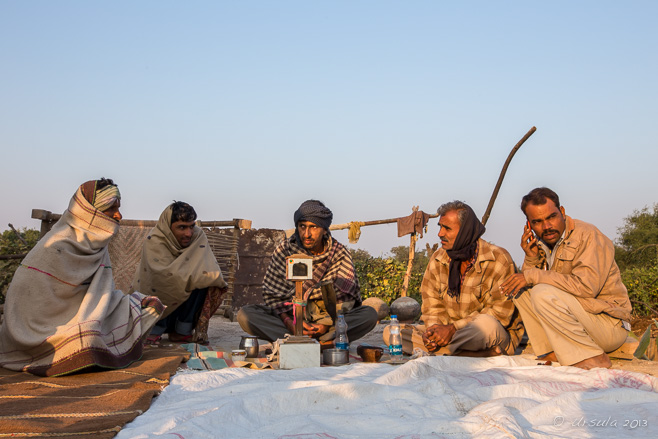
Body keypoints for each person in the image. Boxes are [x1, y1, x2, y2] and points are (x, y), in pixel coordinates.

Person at [0, 179, 164, 376]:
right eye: (110, 208)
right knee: (87, 341)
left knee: (149, 307)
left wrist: (133, 304)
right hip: (41, 333)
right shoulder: (56, 247)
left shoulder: (97, 248)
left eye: (118, 208)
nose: (118, 215)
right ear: (89, 212)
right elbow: (30, 310)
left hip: (84, 318)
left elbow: (101, 296)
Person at [501, 187, 632, 369]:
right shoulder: (542, 242)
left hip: (608, 324)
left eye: (551, 217)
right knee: (518, 288)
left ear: (562, 212)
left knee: (540, 290)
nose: (546, 227)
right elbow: (532, 283)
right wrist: (531, 258)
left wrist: (533, 275)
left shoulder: (588, 235)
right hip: (578, 322)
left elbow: (586, 288)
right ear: (529, 225)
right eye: (537, 222)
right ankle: (549, 351)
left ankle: (593, 357)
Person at [384, 201, 523, 356]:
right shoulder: (438, 259)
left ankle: (446, 353)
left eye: (447, 228)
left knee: (487, 325)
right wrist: (433, 332)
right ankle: (473, 355)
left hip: (486, 334)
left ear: (465, 231)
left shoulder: (498, 259)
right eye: (440, 227)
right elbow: (432, 306)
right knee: (392, 331)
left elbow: (500, 313)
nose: (440, 233)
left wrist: (453, 329)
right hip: (450, 333)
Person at [238, 200, 378, 347]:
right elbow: (273, 298)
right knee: (246, 315)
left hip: (328, 322)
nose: (307, 234)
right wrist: (289, 322)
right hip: (291, 320)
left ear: (325, 229)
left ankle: (313, 341)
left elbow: (346, 301)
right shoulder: (284, 251)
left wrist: (325, 324)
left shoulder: (338, 253)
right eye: (302, 227)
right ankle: (321, 343)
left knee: (369, 315)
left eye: (313, 227)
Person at [131, 201, 228, 345]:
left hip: (185, 308)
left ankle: (182, 330)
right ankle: (154, 329)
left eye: (191, 226)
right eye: (182, 227)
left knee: (204, 276)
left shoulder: (198, 237)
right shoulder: (155, 241)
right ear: (168, 228)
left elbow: (210, 270)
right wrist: (185, 275)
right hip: (156, 308)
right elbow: (160, 277)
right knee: (162, 283)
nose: (188, 233)